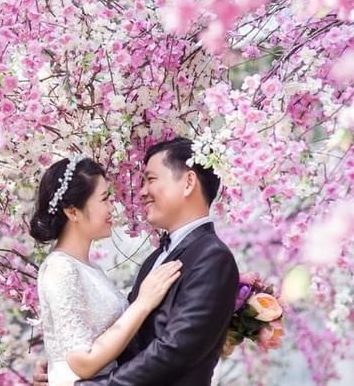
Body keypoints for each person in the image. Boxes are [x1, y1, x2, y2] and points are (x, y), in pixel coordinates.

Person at [34, 137, 239, 386]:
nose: (141, 192)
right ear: (72, 211)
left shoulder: (211, 257)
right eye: (105, 199)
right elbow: (131, 341)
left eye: (151, 179)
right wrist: (61, 370)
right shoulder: (155, 259)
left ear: (188, 183)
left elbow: (174, 351)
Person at [30, 156, 182, 386]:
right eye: (104, 199)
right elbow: (83, 362)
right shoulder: (60, 268)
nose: (112, 207)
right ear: (72, 212)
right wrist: (143, 303)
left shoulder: (90, 268)